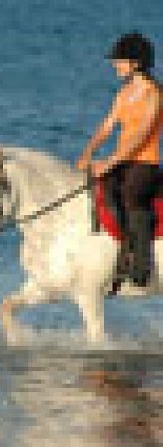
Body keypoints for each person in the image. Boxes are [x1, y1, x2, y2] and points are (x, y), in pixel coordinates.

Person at [76, 33, 162, 286]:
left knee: (132, 193)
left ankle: (141, 264)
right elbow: (107, 126)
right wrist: (88, 153)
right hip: (123, 160)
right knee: (96, 187)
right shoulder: (124, 93)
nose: (115, 65)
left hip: (145, 163)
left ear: (135, 63)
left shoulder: (154, 94)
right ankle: (113, 253)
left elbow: (140, 136)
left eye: (119, 61)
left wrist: (110, 162)